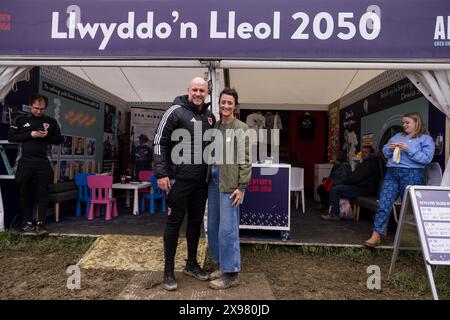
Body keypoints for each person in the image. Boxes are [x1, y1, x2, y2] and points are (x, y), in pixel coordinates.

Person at [153, 77, 216, 291]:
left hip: (200, 182)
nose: (198, 93)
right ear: (188, 90)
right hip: (177, 181)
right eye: (195, 90)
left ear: (207, 92)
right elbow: (159, 141)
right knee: (173, 224)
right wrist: (161, 174)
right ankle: (168, 271)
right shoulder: (175, 111)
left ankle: (191, 264)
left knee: (195, 223)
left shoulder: (209, 116)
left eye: (202, 90)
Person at [364, 112, 434, 247]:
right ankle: (376, 235)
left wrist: (408, 149)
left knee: (410, 208)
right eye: (403, 123)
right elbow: (384, 151)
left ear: (416, 123)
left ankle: (412, 240)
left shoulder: (425, 139)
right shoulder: (398, 136)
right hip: (392, 173)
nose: (404, 125)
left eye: (407, 122)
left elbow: (426, 159)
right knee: (383, 203)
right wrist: (389, 148)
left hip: (412, 174)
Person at [206, 88, 252, 290]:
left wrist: (242, 186)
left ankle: (231, 273)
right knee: (214, 225)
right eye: (223, 102)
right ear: (219, 103)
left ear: (235, 105)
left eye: (230, 103)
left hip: (231, 184)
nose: (225, 106)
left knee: (228, 228)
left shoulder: (241, 128)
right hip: (214, 181)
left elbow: (246, 159)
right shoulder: (216, 126)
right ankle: (221, 265)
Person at [8, 94, 63, 235]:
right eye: (36, 108)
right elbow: (11, 137)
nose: (39, 111)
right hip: (24, 162)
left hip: (44, 162)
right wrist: (30, 134)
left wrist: (47, 136)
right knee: (24, 192)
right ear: (30, 105)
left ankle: (41, 224)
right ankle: (27, 223)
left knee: (42, 192)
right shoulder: (20, 119)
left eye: (42, 109)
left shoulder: (51, 121)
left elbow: (59, 139)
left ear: (45, 108)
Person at [321, 145, 379, 221]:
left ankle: (335, 214)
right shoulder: (366, 162)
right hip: (360, 187)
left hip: (363, 189)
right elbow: (355, 176)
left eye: (366, 152)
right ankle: (333, 210)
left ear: (371, 153)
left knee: (335, 190)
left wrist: (346, 182)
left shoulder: (370, 163)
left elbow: (357, 177)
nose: (363, 154)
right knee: (334, 187)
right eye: (363, 152)